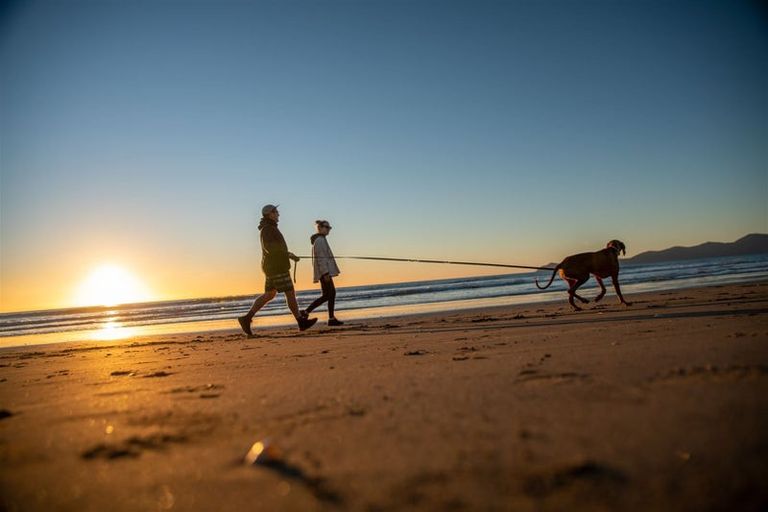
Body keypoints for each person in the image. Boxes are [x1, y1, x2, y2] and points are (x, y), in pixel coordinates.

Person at [238, 204, 317, 335]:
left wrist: (288, 254)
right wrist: (287, 254)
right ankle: (300, 321)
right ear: (270, 214)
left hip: (271, 267)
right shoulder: (268, 229)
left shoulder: (268, 228)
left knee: (269, 294)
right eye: (276, 212)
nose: (278, 214)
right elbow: (270, 248)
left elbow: (275, 248)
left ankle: (246, 318)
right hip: (277, 267)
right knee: (290, 292)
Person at [301, 219, 344, 326]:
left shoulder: (321, 239)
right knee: (329, 294)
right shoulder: (319, 240)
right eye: (326, 227)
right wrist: (325, 273)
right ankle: (309, 313)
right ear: (319, 228)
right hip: (324, 273)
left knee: (328, 295)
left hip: (325, 272)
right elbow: (320, 259)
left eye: (329, 228)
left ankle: (326, 317)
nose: (329, 229)